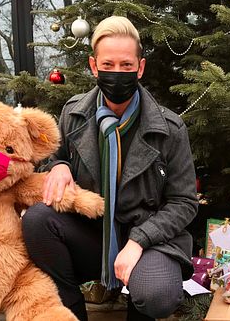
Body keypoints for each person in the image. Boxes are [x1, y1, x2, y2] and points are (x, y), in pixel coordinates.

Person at [22, 16, 198, 321]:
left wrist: (139, 240)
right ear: (94, 66)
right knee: (37, 220)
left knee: (157, 295)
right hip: (92, 232)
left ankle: (138, 307)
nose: (117, 73)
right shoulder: (73, 114)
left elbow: (184, 202)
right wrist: (59, 165)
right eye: (109, 64)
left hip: (149, 237)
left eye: (126, 66)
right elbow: (49, 157)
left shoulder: (169, 127)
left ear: (140, 68)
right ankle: (71, 314)